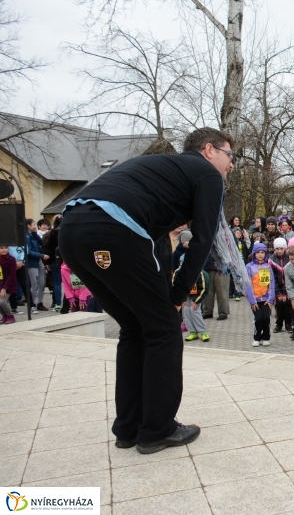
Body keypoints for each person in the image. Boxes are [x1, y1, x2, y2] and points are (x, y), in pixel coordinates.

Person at [59, 127, 239, 454]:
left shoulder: (163, 169)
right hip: (114, 229)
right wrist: (177, 295)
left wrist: (166, 286)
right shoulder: (207, 174)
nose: (231, 165)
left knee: (134, 327)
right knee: (164, 329)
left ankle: (128, 429)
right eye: (230, 155)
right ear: (209, 150)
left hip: (71, 230)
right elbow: (203, 240)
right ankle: (157, 429)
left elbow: (156, 239)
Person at [246, 242, 277, 347]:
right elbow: (247, 285)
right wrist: (252, 301)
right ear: (254, 253)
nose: (260, 255)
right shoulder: (249, 267)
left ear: (265, 254)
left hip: (266, 299)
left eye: (262, 252)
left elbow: (271, 284)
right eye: (258, 252)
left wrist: (270, 299)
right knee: (258, 318)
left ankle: (266, 337)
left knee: (266, 318)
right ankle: (257, 337)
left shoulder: (268, 267)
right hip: (255, 299)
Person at [175, 256, 210, 342]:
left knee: (194, 310)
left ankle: (203, 332)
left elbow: (204, 289)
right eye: (181, 262)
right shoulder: (178, 272)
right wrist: (181, 300)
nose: (182, 264)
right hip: (185, 295)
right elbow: (175, 286)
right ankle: (192, 332)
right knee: (186, 310)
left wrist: (196, 301)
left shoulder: (200, 273)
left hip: (197, 295)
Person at [25, 219, 48, 313]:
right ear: (28, 226)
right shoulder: (26, 236)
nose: (35, 226)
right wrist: (41, 255)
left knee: (42, 283)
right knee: (34, 283)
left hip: (39, 261)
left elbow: (42, 243)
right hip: (32, 263)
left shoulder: (33, 235)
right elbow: (29, 251)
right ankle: (32, 304)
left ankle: (40, 302)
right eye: (33, 224)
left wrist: (35, 234)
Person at [270, 238, 291, 334]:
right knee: (278, 305)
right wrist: (278, 292)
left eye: (281, 248)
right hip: (277, 287)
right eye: (277, 249)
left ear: (285, 248)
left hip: (288, 287)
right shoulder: (272, 259)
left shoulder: (289, 258)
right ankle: (279, 324)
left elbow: (290, 276)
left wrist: (286, 292)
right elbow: (272, 277)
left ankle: (288, 324)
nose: (279, 251)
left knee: (287, 304)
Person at [0, 245, 18, 323]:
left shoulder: (11, 259)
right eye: (1, 248)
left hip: (8, 284)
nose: (4, 250)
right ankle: (4, 316)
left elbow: (11, 275)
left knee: (2, 302)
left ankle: (10, 316)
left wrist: (4, 288)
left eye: (6, 248)